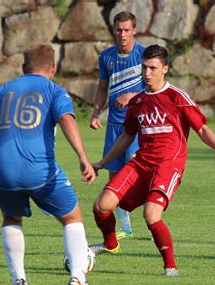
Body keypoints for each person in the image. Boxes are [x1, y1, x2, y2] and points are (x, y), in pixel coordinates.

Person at [0, 44, 101, 285]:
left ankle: (20, 281)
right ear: (52, 68)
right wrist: (83, 158)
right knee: (72, 217)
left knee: (11, 218)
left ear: (23, 67)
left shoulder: (2, 91)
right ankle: (78, 278)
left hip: (2, 172)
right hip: (40, 171)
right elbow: (66, 120)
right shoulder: (54, 90)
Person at [90, 45, 215, 276]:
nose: (147, 73)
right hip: (141, 163)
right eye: (144, 67)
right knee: (101, 206)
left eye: (153, 68)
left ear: (164, 69)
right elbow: (127, 136)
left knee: (151, 214)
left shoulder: (176, 97)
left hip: (168, 164)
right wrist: (103, 162)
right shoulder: (137, 102)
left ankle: (170, 267)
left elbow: (201, 128)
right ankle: (110, 244)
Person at [90, 11, 146, 240]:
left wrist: (132, 95)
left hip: (136, 126)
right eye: (118, 30)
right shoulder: (106, 57)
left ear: (134, 30)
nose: (122, 34)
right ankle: (126, 228)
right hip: (113, 126)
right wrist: (95, 114)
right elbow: (102, 88)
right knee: (114, 180)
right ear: (114, 31)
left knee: (133, 176)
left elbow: (154, 90)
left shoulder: (144, 55)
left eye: (126, 30)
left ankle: (153, 218)